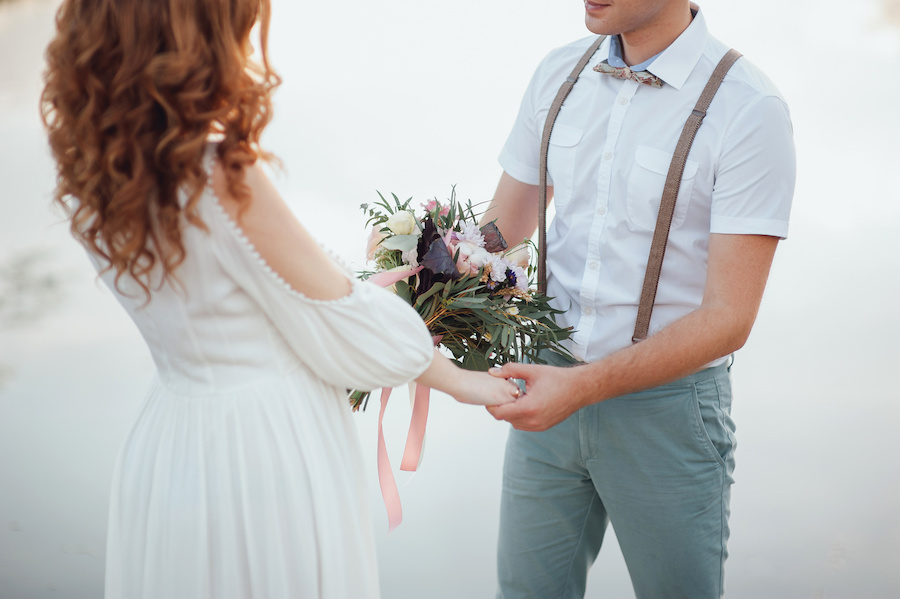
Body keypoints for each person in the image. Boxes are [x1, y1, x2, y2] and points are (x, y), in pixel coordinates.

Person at [40, 1, 519, 597]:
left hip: (172, 439)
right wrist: (461, 378)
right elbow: (349, 319)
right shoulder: (216, 172)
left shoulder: (97, 166)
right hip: (258, 454)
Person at [483, 1, 795, 597]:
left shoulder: (749, 108)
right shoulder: (557, 74)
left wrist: (586, 387)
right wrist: (421, 272)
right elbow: (501, 231)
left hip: (669, 413)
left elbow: (729, 318)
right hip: (546, 388)